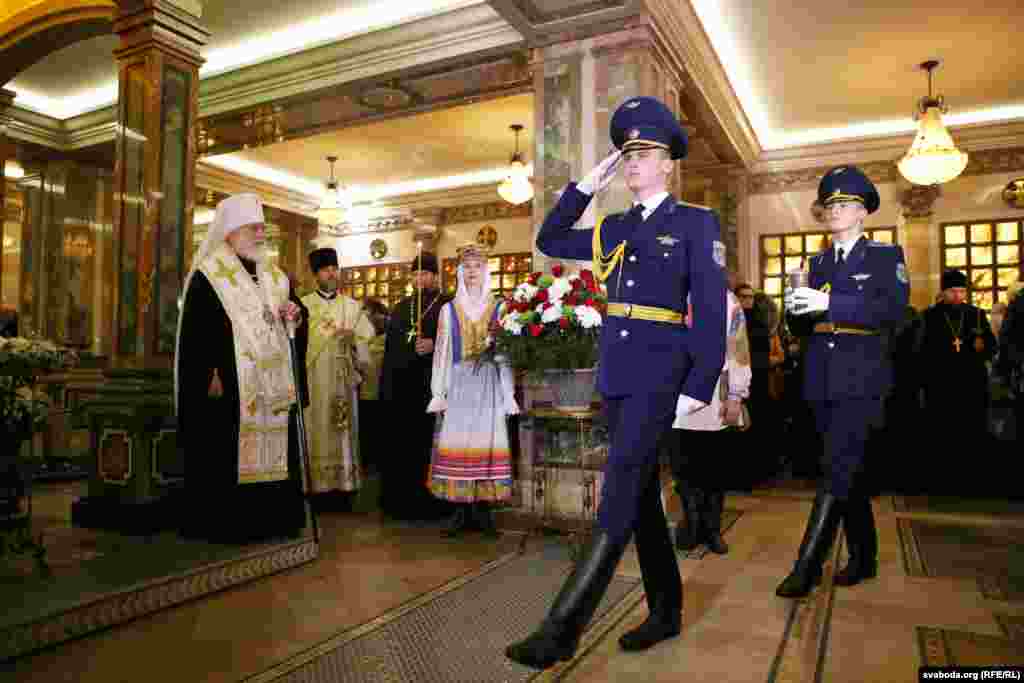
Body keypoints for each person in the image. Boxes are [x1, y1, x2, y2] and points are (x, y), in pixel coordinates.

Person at [506, 96, 727, 669]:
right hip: (620, 374)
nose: (632, 162)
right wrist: (585, 186)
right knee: (642, 498)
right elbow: (551, 239)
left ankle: (561, 629)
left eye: (644, 153)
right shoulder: (615, 227)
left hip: (662, 375)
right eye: (626, 154)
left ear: (668, 164)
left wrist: (698, 385)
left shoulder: (694, 223)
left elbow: (709, 308)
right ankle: (667, 610)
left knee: (620, 489)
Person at [778, 166, 909, 597]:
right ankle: (864, 556)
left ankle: (807, 566)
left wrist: (830, 303)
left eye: (845, 203)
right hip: (820, 375)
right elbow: (800, 329)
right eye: (830, 204)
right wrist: (795, 310)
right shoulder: (814, 263)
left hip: (862, 374)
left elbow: (893, 312)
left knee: (837, 467)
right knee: (843, 467)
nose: (835, 210)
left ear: (863, 212)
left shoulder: (885, 256)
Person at [174, 193, 308, 544]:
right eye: (253, 228)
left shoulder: (274, 277)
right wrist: (210, 373)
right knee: (230, 452)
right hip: (232, 382)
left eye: (262, 228)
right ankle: (233, 522)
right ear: (231, 231)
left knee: (276, 449)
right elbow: (197, 335)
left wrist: (295, 315)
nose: (261, 235)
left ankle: (276, 518)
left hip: (273, 384)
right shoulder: (209, 276)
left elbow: (291, 315)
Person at [427, 243, 519, 537]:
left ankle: (483, 510)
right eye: (466, 267)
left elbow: (505, 354)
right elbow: (442, 352)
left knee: (486, 443)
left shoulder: (500, 307)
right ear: (459, 272)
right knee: (459, 442)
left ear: (486, 271)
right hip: (459, 384)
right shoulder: (448, 310)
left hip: (488, 384)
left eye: (477, 266)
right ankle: (460, 510)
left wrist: (508, 393)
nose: (472, 272)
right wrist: (439, 391)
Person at [671, 289, 750, 554]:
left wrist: (737, 394)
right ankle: (693, 524)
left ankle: (712, 528)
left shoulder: (727, 299)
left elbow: (739, 347)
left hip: (716, 392)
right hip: (677, 391)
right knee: (682, 464)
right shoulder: (672, 290)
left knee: (715, 467)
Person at [378, 251, 453, 520]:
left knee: (430, 445)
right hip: (404, 391)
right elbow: (390, 352)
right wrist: (387, 390)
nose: (419, 279)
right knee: (405, 447)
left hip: (434, 389)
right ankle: (403, 502)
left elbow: (458, 343)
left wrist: (435, 345)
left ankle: (436, 504)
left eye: (425, 274)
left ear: (435, 276)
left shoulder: (447, 305)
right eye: (415, 274)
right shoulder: (401, 308)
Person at [301, 247, 374, 513]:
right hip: (314, 381)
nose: (331, 274)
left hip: (342, 381)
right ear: (316, 275)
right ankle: (315, 489)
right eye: (325, 270)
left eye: (334, 269)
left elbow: (366, 338)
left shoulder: (352, 306)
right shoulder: (304, 306)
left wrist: (353, 339)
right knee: (316, 428)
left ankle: (343, 488)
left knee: (342, 429)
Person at [914, 270, 997, 487]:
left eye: (962, 291)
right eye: (953, 292)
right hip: (941, 385)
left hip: (972, 384)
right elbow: (920, 351)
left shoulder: (976, 315)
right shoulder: (929, 317)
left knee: (971, 432)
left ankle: (971, 477)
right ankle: (944, 478)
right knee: (943, 433)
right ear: (943, 292)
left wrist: (983, 347)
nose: (958, 296)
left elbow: (991, 347)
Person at [359, 298, 390, 474]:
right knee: (365, 431)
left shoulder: (389, 340)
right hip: (363, 395)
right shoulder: (362, 340)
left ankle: (378, 462)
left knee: (378, 431)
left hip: (382, 395)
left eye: (369, 316)